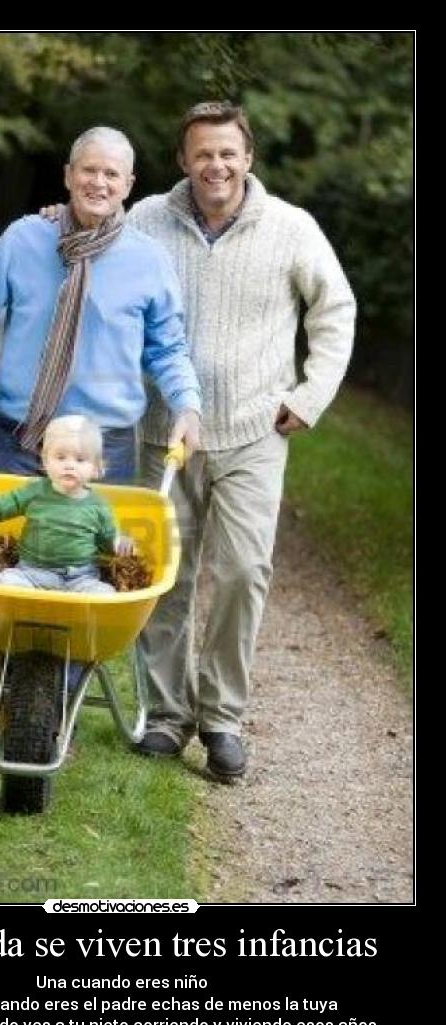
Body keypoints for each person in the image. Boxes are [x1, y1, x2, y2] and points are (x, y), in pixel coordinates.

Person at [0, 125, 202, 742]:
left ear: (129, 186)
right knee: (7, 566)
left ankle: (45, 694)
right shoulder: (25, 238)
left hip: (104, 445)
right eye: (90, 170)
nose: (99, 182)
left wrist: (188, 402)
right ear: (67, 174)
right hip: (21, 434)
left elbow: (168, 348)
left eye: (113, 174)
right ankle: (2, 680)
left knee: (86, 574)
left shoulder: (147, 261)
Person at [128, 101, 357, 781]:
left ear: (248, 157)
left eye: (228, 152)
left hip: (254, 433)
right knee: (163, 578)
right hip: (160, 432)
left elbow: (335, 311)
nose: (216, 165)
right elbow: (94, 255)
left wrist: (309, 396)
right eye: (203, 153)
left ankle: (222, 717)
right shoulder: (144, 222)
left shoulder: (291, 228)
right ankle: (167, 717)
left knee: (242, 573)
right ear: (183, 160)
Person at [0, 415, 133, 594]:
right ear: (45, 461)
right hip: (32, 572)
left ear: (96, 469)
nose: (69, 465)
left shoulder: (98, 506)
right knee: (6, 581)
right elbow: (0, 505)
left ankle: (80, 623)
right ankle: (19, 621)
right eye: (60, 457)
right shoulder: (36, 491)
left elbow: (107, 539)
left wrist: (118, 543)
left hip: (80, 577)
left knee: (103, 593)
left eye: (80, 459)